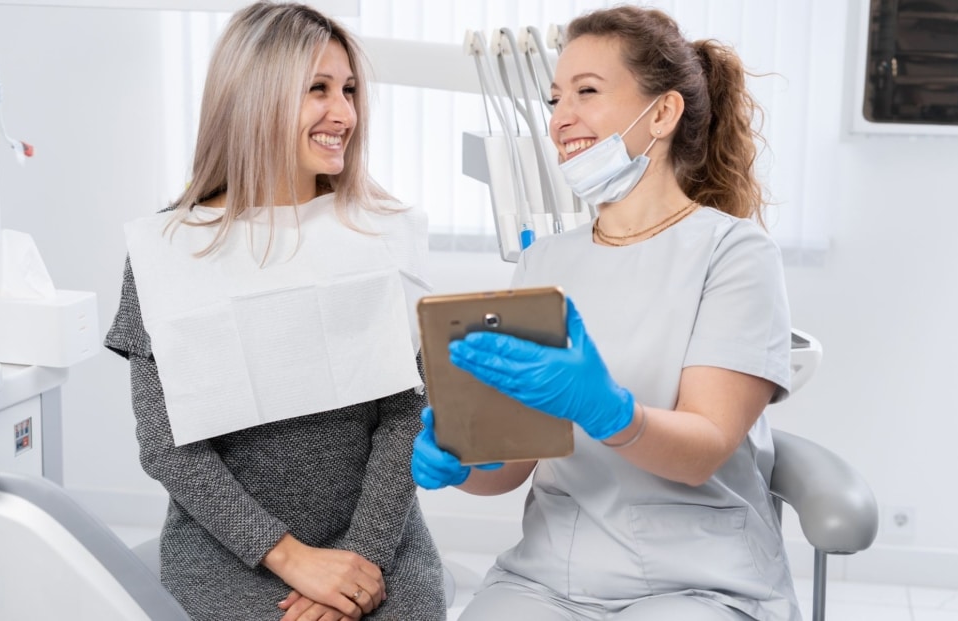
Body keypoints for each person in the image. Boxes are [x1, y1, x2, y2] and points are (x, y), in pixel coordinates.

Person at [411, 5, 800, 621]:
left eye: (587, 93)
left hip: (698, 580)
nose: (562, 119)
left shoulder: (734, 253)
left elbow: (703, 450)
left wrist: (606, 409)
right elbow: (513, 467)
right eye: (554, 99)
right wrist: (463, 462)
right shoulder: (545, 264)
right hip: (548, 577)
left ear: (664, 113)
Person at [104, 3, 444, 620]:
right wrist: (291, 558)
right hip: (231, 548)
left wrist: (359, 558)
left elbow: (405, 415)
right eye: (317, 90)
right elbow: (166, 445)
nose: (344, 114)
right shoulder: (169, 250)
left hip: (376, 538)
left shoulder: (381, 237)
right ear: (255, 98)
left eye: (348, 90)